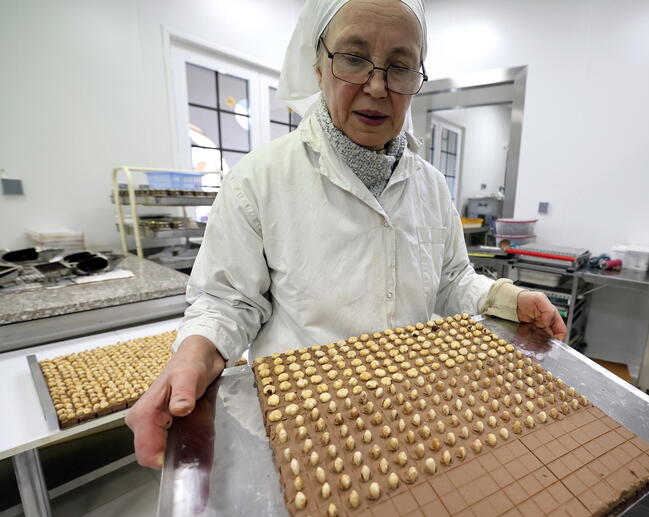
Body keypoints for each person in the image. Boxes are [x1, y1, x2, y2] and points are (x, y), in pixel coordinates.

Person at [127, 0, 566, 468]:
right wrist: (193, 355)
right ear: (318, 67)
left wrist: (504, 298)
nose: (376, 87)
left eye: (399, 67)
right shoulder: (260, 179)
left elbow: (452, 279)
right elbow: (227, 302)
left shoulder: (432, 186)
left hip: (414, 416)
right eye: (354, 58)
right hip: (305, 426)